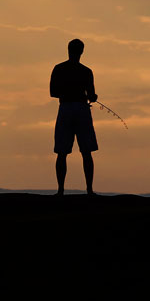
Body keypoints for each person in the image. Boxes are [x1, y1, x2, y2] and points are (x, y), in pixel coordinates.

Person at [49, 39, 98, 195]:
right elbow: (92, 95)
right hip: (82, 110)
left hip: (65, 109)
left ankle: (60, 190)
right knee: (86, 151)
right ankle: (89, 190)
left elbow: (53, 92)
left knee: (62, 152)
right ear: (82, 51)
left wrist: (67, 91)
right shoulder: (86, 71)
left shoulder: (59, 69)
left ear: (68, 50)